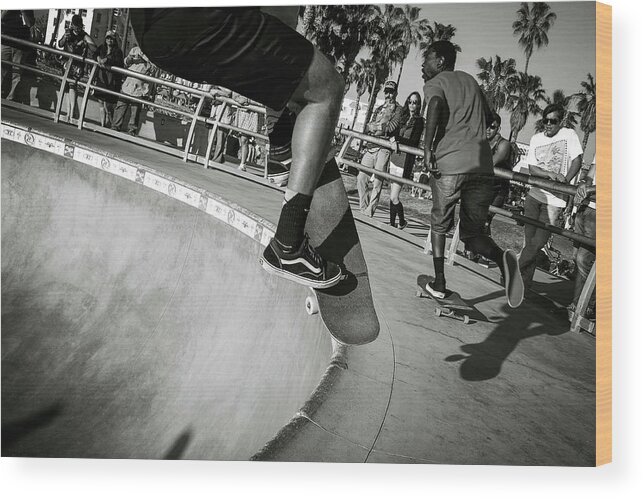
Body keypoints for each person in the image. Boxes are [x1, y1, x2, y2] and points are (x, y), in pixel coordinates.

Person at [129, 7, 344, 289]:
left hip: (153, 30)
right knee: (326, 89)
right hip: (189, 21)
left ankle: (280, 146)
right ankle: (289, 247)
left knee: (279, 15)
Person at [420, 41, 523, 307]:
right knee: (472, 234)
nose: (423, 64)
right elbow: (490, 116)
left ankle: (439, 283)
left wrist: (428, 148)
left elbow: (434, 105)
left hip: (451, 164)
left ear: (441, 61)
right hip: (482, 168)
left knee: (440, 224)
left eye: (426, 59)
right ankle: (502, 259)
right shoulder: (470, 81)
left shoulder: (437, 82)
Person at [518, 103, 583, 290]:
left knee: (537, 244)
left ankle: (514, 270)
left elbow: (577, 160)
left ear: (561, 121)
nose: (548, 124)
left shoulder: (569, 135)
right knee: (529, 242)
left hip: (554, 202)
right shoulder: (537, 138)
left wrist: (565, 181)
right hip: (534, 196)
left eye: (552, 121)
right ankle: (523, 284)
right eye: (545, 120)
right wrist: (550, 175)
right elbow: (532, 168)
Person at [356, 80, 405, 218]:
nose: (388, 94)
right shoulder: (379, 108)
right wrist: (377, 128)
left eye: (391, 92)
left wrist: (377, 128)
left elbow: (390, 128)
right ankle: (363, 208)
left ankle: (369, 212)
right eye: (387, 92)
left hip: (384, 148)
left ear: (395, 93)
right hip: (371, 147)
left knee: (377, 181)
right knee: (361, 177)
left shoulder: (398, 109)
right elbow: (368, 125)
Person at [388, 91, 425, 229]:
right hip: (395, 158)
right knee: (392, 193)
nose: (411, 104)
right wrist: (393, 138)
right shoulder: (402, 116)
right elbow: (393, 131)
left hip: (405, 161)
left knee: (394, 196)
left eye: (415, 102)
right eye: (410, 101)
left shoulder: (420, 121)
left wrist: (397, 140)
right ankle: (392, 224)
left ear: (418, 105)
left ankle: (402, 222)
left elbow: (413, 141)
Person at [568, 155, 596, 319]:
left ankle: (587, 305)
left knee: (584, 259)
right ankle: (576, 304)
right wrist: (585, 184)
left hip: (601, 211)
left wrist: (591, 189)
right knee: (576, 256)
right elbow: (591, 174)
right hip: (586, 207)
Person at [58, 14, 96, 122]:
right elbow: (60, 44)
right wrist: (65, 38)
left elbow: (94, 47)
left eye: (79, 26)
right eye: (76, 26)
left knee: (72, 85)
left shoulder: (84, 35)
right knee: (67, 87)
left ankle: (71, 114)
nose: (77, 28)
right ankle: (68, 111)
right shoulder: (68, 33)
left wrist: (86, 43)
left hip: (77, 64)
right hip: (66, 62)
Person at [111, 45, 151, 135]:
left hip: (139, 87)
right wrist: (130, 59)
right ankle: (115, 126)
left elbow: (152, 67)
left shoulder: (152, 55)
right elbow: (126, 62)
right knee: (121, 106)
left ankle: (131, 130)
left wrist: (143, 58)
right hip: (128, 84)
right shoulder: (135, 49)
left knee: (135, 111)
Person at [1, 10, 36, 103]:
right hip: (6, 41)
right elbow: (1, 18)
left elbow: (29, 24)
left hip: (20, 45)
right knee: (2, 70)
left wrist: (24, 12)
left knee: (17, 73)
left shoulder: (28, 8)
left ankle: (10, 98)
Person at [94, 31, 124, 128]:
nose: (109, 40)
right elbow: (94, 54)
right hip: (101, 78)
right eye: (107, 38)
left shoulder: (118, 51)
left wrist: (107, 60)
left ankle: (111, 123)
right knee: (101, 103)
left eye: (111, 38)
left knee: (108, 106)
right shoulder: (101, 48)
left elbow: (118, 62)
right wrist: (98, 57)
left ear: (114, 40)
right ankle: (102, 125)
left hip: (112, 81)